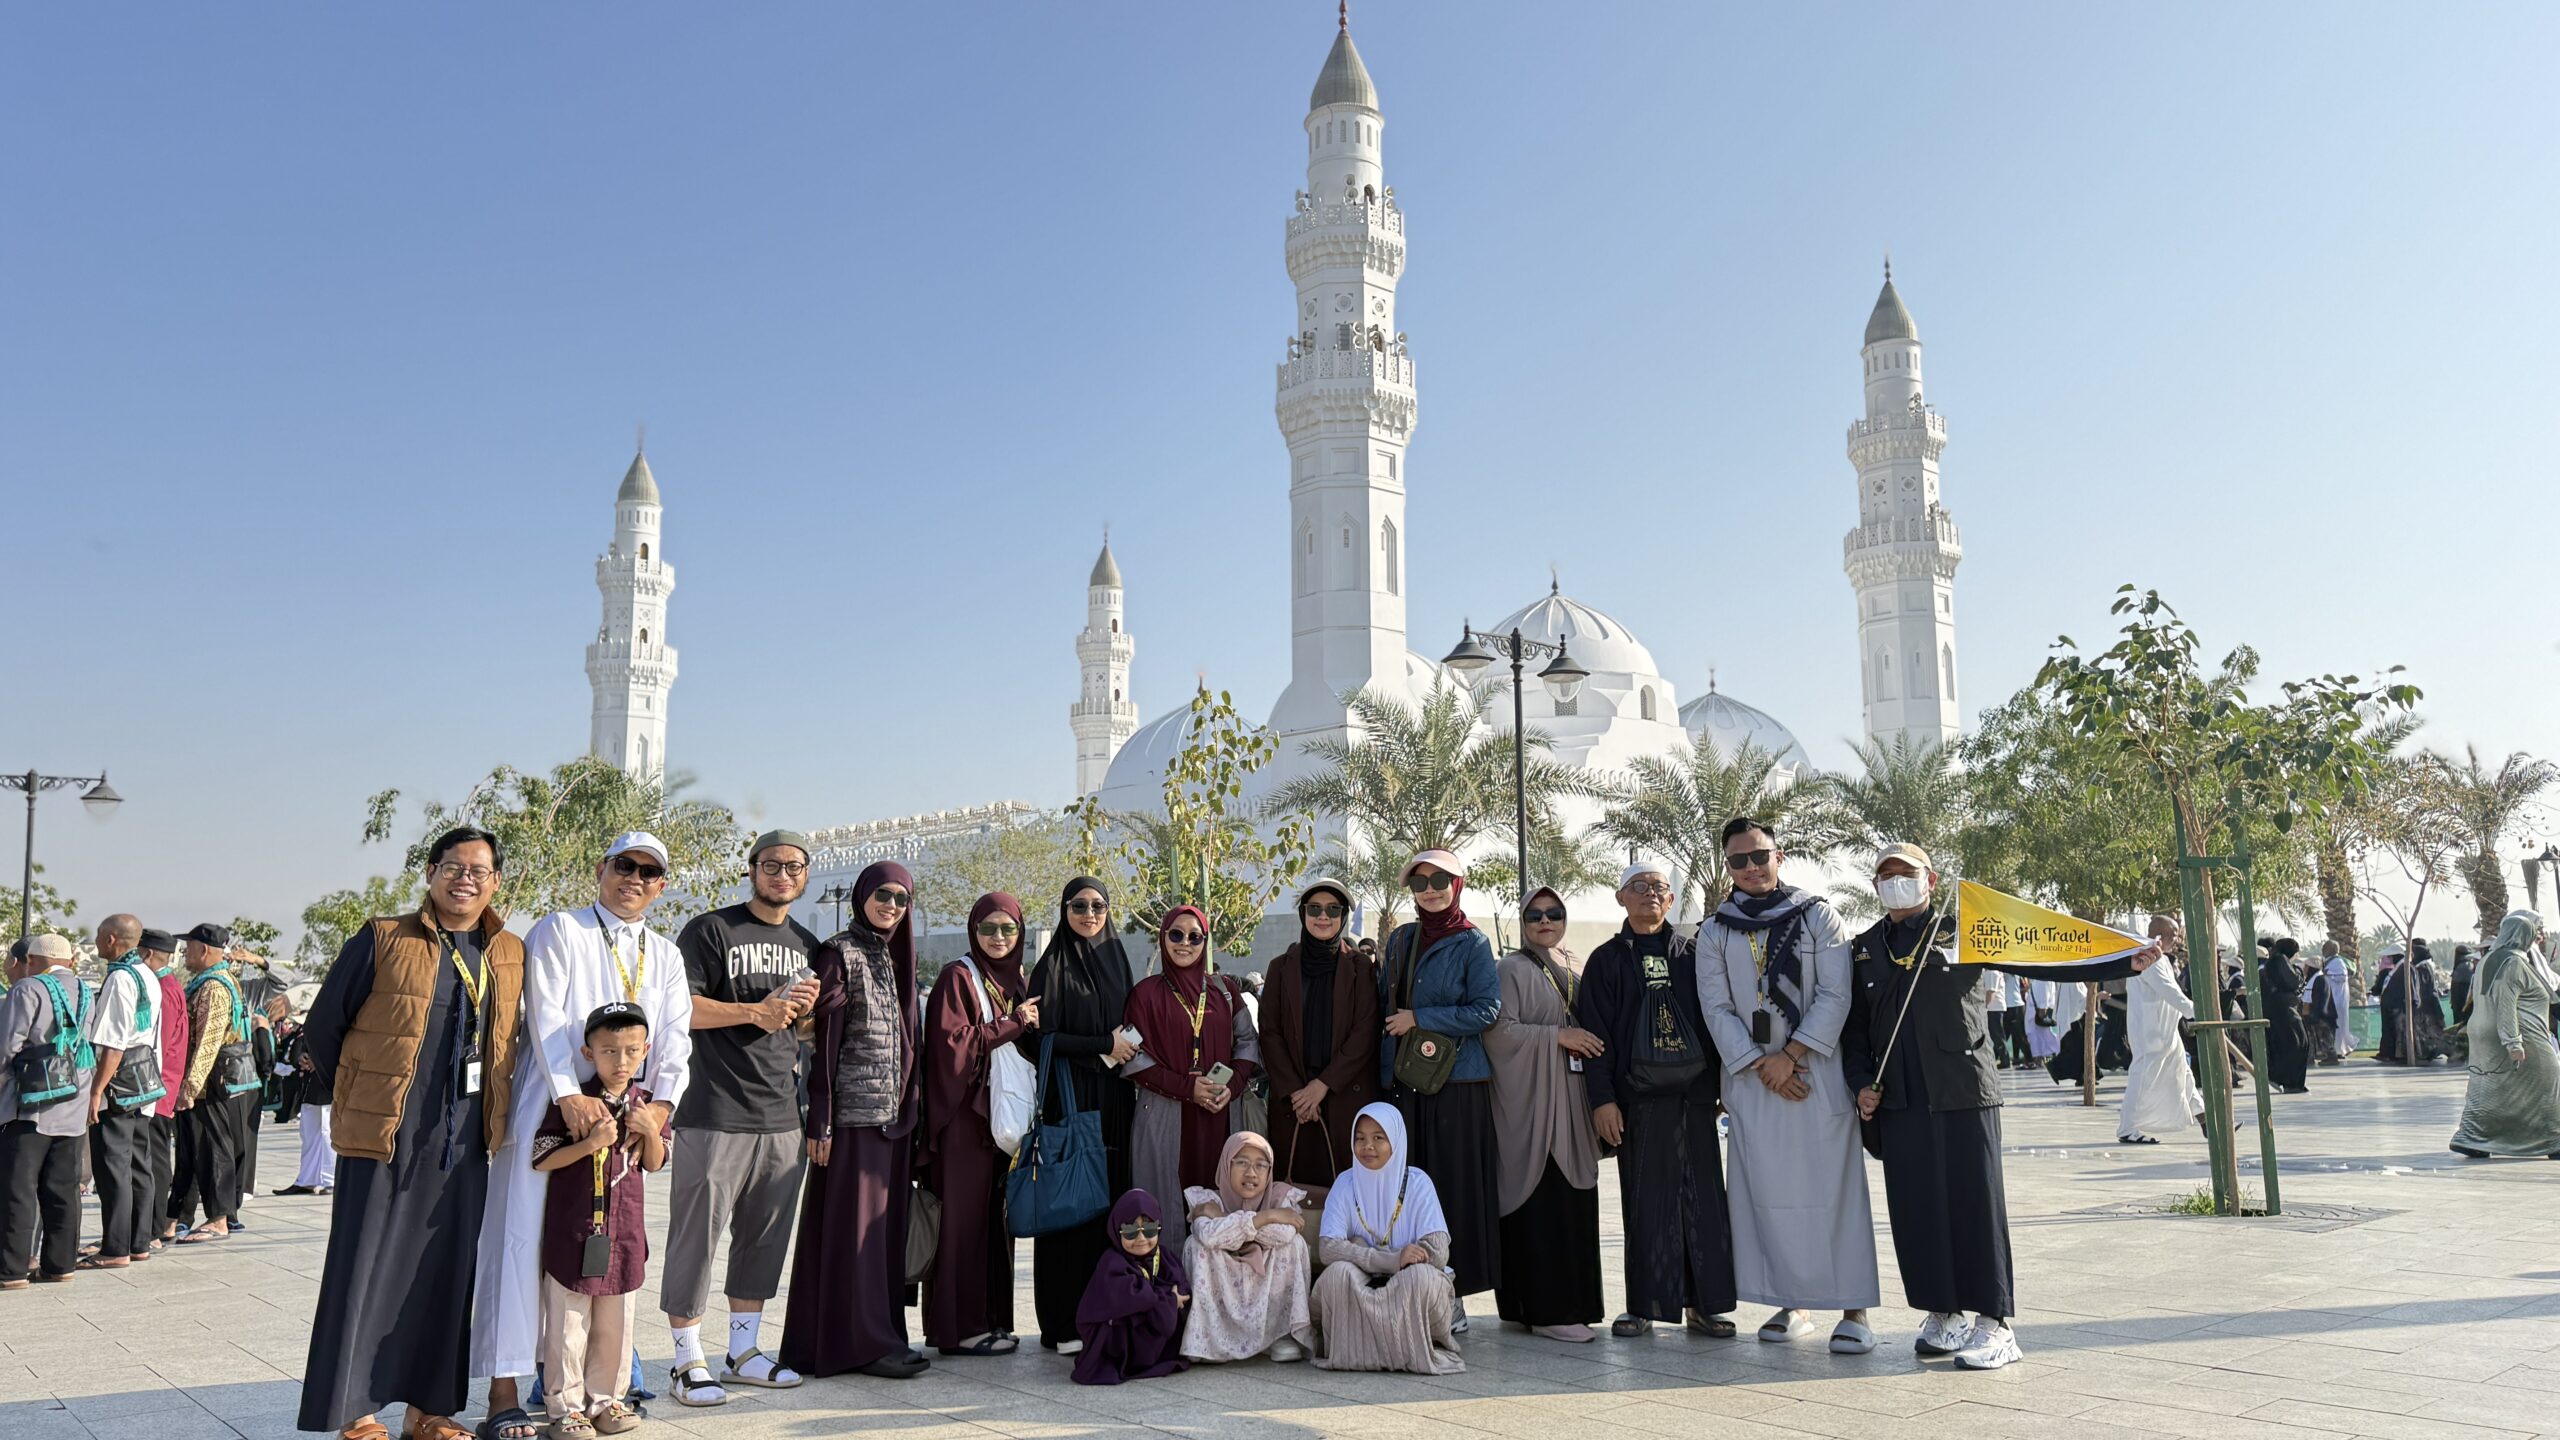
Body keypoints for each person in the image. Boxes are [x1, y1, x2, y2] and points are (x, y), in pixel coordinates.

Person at [1844, 844, 2155, 1371]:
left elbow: (2041, 954)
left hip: (1965, 1089)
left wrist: (2123, 960)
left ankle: (1995, 1323)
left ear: (1931, 879)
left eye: (1906, 873)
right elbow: (1853, 1031)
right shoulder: (1863, 949)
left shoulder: (1966, 930)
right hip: (1898, 1097)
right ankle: (1943, 1315)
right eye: (1885, 874)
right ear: (1875, 885)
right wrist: (1859, 1085)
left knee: (1975, 1204)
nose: (1895, 881)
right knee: (1915, 1210)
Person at [298, 827, 527, 1440]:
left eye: (479, 870)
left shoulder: (509, 951)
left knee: (445, 1272)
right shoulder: (383, 937)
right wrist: (360, 1095)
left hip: (465, 1142)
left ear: (496, 882)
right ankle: (357, 1412)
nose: (466, 879)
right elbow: (323, 1029)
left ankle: (430, 1412)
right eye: (454, 867)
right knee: (364, 1267)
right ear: (430, 873)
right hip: (386, 1133)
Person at [476, 833, 696, 1440]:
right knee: (523, 1244)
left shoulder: (667, 954)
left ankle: (603, 1390)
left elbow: (674, 1042)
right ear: (602, 869)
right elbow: (545, 1015)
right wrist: (569, 1095)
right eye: (624, 866)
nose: (635, 879)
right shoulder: (561, 929)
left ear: (661, 885)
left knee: (609, 1252)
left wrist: (659, 1110)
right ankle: (507, 1389)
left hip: (627, 1117)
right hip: (551, 1107)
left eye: (649, 872)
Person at [1696, 818, 1878, 1354]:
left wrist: (1791, 1055)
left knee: (1834, 1193)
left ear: (1780, 856)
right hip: (1755, 1084)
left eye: (1759, 856)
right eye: (1738, 861)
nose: (1750, 868)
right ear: (1727, 866)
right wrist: (1759, 1063)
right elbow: (1716, 1005)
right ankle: (1790, 1302)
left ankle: (1855, 1309)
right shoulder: (1715, 929)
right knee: (1768, 1194)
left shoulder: (1818, 915)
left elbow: (1836, 995)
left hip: (1814, 1076)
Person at [662, 830, 822, 1406]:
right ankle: (685, 1360)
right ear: (752, 869)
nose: (783, 874)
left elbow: (800, 1031)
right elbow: (680, 1007)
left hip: (781, 1113)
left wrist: (803, 1018)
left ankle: (743, 1353)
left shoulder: (808, 942)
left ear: (805, 877)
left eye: (794, 866)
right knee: (696, 1239)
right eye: (772, 864)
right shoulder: (711, 930)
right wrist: (757, 1009)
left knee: (763, 1238)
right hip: (713, 1109)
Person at [1576, 862, 1738, 1342]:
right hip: (1636, 1103)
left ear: (1670, 901)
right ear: (1620, 898)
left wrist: (1721, 1090)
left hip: (1694, 1100)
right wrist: (1602, 1101)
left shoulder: (1694, 954)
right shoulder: (1606, 960)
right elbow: (1597, 1038)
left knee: (1704, 1203)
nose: (1649, 894)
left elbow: (1715, 1022)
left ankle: (1705, 1306)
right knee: (1645, 1204)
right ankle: (1643, 1305)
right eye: (1638, 887)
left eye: (1659, 888)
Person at [780, 860, 926, 1380]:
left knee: (880, 1236)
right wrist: (820, 1117)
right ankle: (858, 1345)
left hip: (893, 1119)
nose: (891, 905)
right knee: (853, 1233)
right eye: (883, 894)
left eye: (902, 898)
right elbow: (824, 1040)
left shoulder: (896, 954)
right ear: (862, 894)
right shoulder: (839, 953)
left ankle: (879, 1334)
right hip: (851, 1119)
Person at [532, 1004, 668, 1440]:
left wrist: (649, 1131)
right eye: (609, 1051)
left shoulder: (645, 1105)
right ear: (588, 1053)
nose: (621, 1061)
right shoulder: (574, 1104)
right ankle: (566, 1406)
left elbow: (656, 1161)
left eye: (631, 1051)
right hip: (574, 1233)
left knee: (616, 1324)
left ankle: (606, 1400)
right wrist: (590, 1143)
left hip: (624, 1234)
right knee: (569, 1326)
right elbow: (542, 1159)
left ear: (646, 1050)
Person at [1377, 849, 1502, 1326]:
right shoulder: (1402, 939)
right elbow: (1384, 1007)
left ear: (1458, 885)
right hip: (1407, 1085)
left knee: (1452, 1189)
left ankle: (1453, 1295)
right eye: (1420, 882)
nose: (1429, 889)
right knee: (1409, 1190)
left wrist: (1420, 1019)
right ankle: (1413, 1289)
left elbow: (1486, 1010)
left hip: (1457, 1083)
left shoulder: (1472, 943)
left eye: (1439, 880)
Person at [1020, 877, 1139, 1353]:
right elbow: (1038, 1039)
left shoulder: (1116, 958)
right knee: (1068, 1206)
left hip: (1114, 1100)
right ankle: (1062, 1322)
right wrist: (1102, 1045)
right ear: (1064, 910)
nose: (1089, 913)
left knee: (1106, 1202)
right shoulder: (1052, 967)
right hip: (1070, 1100)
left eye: (1098, 905)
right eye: (1078, 905)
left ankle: (1103, 1313)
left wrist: (1123, 1044)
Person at [1483, 886, 1605, 1344]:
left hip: (1571, 1102)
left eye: (1554, 914)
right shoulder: (1509, 969)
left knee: (1570, 1200)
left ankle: (1557, 1304)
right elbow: (1497, 1032)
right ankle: (1546, 1309)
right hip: (1529, 1105)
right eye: (1534, 915)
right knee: (1539, 1198)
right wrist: (1557, 1036)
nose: (1544, 922)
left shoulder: (1574, 963)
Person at [921, 891, 1037, 1357]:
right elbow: (951, 1046)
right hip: (966, 1123)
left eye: (1007, 928)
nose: (997, 937)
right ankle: (957, 1329)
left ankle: (991, 1321)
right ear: (973, 930)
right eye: (988, 928)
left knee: (996, 1228)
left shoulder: (1019, 981)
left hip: (1002, 1125)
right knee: (962, 1227)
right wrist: (1012, 1024)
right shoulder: (958, 977)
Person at [1125, 905, 1258, 1246]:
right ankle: (1172, 1291)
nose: (1185, 943)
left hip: (1219, 1115)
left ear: (1205, 941)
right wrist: (1187, 1089)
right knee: (1166, 1209)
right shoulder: (1144, 994)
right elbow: (1132, 1056)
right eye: (1176, 934)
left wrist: (1233, 1085)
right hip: (1166, 1118)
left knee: (1221, 1206)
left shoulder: (1225, 991)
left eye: (1194, 936)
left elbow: (1248, 1044)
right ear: (1163, 938)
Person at [1309, 1103, 1463, 1375]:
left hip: (1406, 1281)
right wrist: (1392, 1258)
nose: (1368, 1146)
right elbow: (1328, 1249)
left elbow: (1437, 1252)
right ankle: (1364, 1351)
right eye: (1360, 1138)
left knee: (1420, 1278)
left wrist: (1359, 1249)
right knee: (1337, 1274)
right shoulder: (1345, 1183)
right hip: (1366, 1280)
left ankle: (1392, 1348)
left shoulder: (1417, 1183)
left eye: (1378, 1138)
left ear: (1396, 1141)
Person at [1257, 879, 1379, 1200]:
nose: (1323, 917)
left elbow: (1365, 1031)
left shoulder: (1360, 968)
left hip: (1342, 1096)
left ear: (1342, 916)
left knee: (1348, 1193)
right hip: (1293, 1102)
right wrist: (1299, 1092)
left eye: (1332, 910)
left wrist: (1322, 1085)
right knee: (1294, 1195)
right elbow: (1269, 1032)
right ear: (1303, 914)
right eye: (1314, 909)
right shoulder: (1280, 968)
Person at [0, 933, 94, 1288]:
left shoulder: (27, 990)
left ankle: (10, 1271)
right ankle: (60, 1266)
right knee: (63, 1188)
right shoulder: (86, 991)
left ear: (33, 960)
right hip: (73, 1100)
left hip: (31, 1104)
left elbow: (8, 1044)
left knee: (18, 1187)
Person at [1179, 1131, 1314, 1364]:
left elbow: (1284, 1233)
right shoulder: (1209, 1199)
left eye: (1261, 1165)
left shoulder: (1281, 1197)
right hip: (1226, 1277)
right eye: (1241, 1163)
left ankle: (1279, 1335)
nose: (1251, 1173)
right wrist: (1268, 1217)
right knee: (1197, 1245)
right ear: (1226, 1166)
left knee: (1294, 1244)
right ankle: (1210, 1337)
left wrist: (1225, 1220)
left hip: (1265, 1278)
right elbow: (1209, 1235)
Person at [84, 914, 163, 1268]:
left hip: (120, 1080)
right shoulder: (148, 973)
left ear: (113, 939)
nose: (97, 941)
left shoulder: (119, 978)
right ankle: (138, 1241)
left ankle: (115, 1248)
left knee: (113, 1165)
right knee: (138, 1164)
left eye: (100, 935)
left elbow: (114, 1044)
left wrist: (96, 1091)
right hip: (144, 1079)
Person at [2449, 911, 2560, 1160]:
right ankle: (2553, 1139)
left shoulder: (2489, 959)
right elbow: (2506, 1004)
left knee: (2486, 1087)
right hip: (2522, 1033)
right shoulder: (2514, 963)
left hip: (2481, 1033)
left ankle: (2472, 1137)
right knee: (2549, 1078)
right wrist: (2513, 1042)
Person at [172, 922, 255, 1244]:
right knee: (194, 1152)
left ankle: (219, 1218)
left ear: (204, 949)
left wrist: (190, 1087)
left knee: (214, 1150)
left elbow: (208, 1041)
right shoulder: (209, 982)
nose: (185, 955)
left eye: (189, 948)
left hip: (210, 1084)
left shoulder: (214, 987)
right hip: (206, 1083)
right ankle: (178, 1217)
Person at [1072, 1189, 1190, 1385]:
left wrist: (1168, 1298)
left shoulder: (1165, 1257)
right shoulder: (1112, 1263)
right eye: (1130, 1231)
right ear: (1117, 1231)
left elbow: (1181, 1286)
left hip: (1154, 1340)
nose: (1141, 1239)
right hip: (1119, 1345)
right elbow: (1133, 1298)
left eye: (1150, 1229)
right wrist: (1168, 1300)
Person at [2119, 916, 2205, 1144]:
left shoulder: (2162, 958)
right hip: (2151, 1031)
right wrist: (2195, 1010)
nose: (2177, 939)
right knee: (2142, 1075)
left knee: (2183, 1072)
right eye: (2174, 934)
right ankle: (2127, 1128)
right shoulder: (2148, 956)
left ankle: (2206, 1120)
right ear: (2160, 934)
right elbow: (2168, 990)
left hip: (2166, 1029)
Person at [143, 928, 189, 1252]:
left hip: (157, 1085)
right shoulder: (171, 985)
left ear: (146, 953)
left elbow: (159, 1044)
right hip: (164, 1083)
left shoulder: (162, 988)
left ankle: (154, 1227)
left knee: (156, 1159)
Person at [274, 1004, 337, 1197]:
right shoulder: (310, 1027)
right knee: (309, 1134)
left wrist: (319, 1061)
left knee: (327, 1133)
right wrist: (302, 1057)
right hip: (309, 1085)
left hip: (328, 1084)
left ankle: (330, 1179)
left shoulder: (337, 1023)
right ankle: (307, 1179)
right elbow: (300, 1050)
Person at [2258, 937, 2311, 1094]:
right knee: (2295, 1042)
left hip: (2284, 1007)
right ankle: (2288, 1081)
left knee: (2297, 1042)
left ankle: (2293, 1081)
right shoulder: (2279, 960)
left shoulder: (2276, 961)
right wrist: (2299, 978)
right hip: (2284, 1008)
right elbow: (2293, 982)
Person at [2309, 941, 2351, 1064]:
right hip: (2331, 999)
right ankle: (2334, 1051)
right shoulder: (2330, 961)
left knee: (2336, 1028)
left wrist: (2329, 974)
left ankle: (2337, 1052)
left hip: (2337, 1000)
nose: (2322, 949)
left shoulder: (2338, 962)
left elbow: (2342, 976)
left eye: (2325, 947)